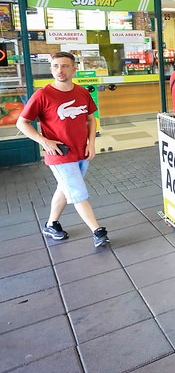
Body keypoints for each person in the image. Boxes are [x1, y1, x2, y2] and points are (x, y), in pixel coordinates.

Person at [16, 52, 110, 247]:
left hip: (80, 152)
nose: (60, 70)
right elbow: (22, 122)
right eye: (56, 66)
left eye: (65, 66)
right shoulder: (42, 95)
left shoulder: (82, 92)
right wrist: (43, 141)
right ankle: (97, 231)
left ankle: (51, 224)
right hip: (60, 153)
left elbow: (91, 119)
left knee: (65, 188)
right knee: (77, 192)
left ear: (74, 69)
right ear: (51, 69)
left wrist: (91, 143)